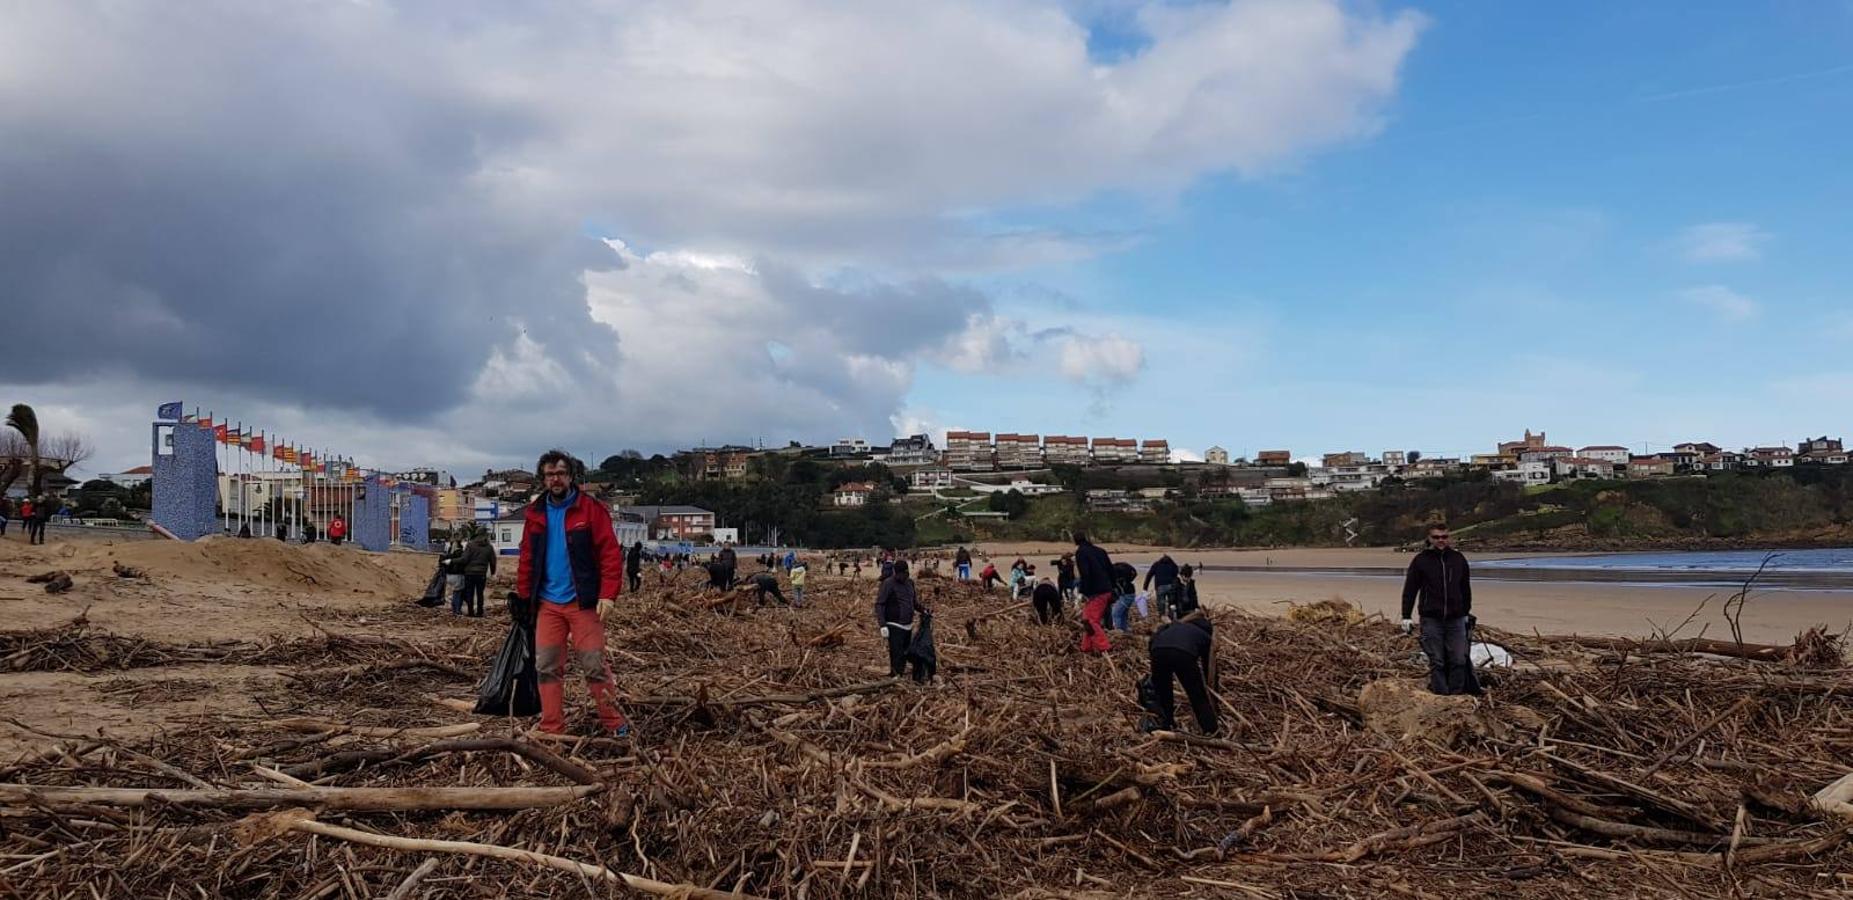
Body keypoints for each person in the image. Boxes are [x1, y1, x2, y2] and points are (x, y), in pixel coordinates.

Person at [513, 449, 629, 737]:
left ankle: (615, 724)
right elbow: (527, 556)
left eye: (561, 473)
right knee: (547, 666)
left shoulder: (590, 510)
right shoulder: (535, 513)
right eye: (550, 474)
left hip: (583, 602)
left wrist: (608, 595)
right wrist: (524, 597)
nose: (556, 479)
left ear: (571, 476)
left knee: (594, 665)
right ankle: (552, 727)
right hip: (548, 604)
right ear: (543, 477)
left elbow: (610, 554)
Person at [1401, 523, 1480, 696]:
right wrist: (1406, 616)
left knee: (1459, 659)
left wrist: (1466, 612)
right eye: (1436, 537)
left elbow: (1465, 588)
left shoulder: (1458, 559)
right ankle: (1441, 695)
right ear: (1429, 539)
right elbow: (1410, 589)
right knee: (1437, 660)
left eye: (1444, 537)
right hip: (1431, 618)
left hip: (1456, 618)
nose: (1441, 540)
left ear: (1449, 538)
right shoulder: (1421, 560)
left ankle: (1456, 695)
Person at [1146, 615, 1218, 734]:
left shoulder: (1173, 626)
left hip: (1157, 650)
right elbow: (1209, 667)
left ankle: (1166, 723)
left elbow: (1153, 638)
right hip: (1183, 654)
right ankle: (1211, 730)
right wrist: (1212, 690)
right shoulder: (1205, 636)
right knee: (1197, 695)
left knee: (1163, 692)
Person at [874, 560, 928, 682]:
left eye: (904, 574)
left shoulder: (910, 583)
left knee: (905, 653)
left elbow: (913, 602)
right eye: (899, 574)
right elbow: (879, 604)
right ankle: (895, 677)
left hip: (908, 625)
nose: (902, 577)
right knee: (896, 654)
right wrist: (882, 624)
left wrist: (923, 610)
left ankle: (900, 675)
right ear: (895, 573)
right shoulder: (888, 584)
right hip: (894, 624)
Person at [1073, 532, 1114, 653]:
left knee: (1091, 621)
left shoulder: (1081, 553)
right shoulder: (1100, 551)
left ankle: (1104, 646)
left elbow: (1085, 574)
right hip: (1106, 589)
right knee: (1086, 619)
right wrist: (1113, 587)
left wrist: (1083, 592)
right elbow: (1111, 570)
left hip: (1096, 591)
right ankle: (1086, 647)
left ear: (1075, 541)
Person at [461, 531, 497, 617]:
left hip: (469, 573)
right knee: (480, 593)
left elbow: (465, 559)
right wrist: (492, 573)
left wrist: (462, 569)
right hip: (481, 574)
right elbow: (493, 561)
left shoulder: (470, 545)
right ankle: (480, 612)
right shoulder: (489, 547)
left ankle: (470, 612)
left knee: (470, 593)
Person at [1143, 554, 1181, 619]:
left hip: (1160, 586)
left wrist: (1145, 588)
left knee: (1161, 603)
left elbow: (1149, 575)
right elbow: (1176, 573)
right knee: (1171, 603)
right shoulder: (1172, 565)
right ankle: (1171, 617)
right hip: (1171, 586)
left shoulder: (1156, 564)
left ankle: (1162, 616)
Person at [1109, 560, 1140, 631]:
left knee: (1115, 613)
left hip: (1126, 595)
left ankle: (1119, 631)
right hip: (1131, 593)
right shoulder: (1124, 568)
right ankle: (1125, 629)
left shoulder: (1115, 571)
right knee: (1123, 613)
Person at [441, 541, 468, 615]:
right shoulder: (461, 553)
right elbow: (464, 562)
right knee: (458, 593)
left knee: (454, 592)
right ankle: (457, 610)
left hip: (449, 576)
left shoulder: (448, 554)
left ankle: (454, 609)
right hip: (458, 575)